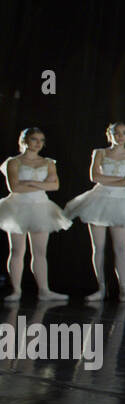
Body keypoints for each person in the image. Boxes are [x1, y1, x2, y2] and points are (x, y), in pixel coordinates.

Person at [63, 122, 125, 301]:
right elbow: (94, 177)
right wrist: (117, 180)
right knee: (98, 247)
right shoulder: (99, 152)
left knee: (121, 248)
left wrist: (108, 180)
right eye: (116, 133)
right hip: (98, 200)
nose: (120, 136)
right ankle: (101, 288)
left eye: (124, 133)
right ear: (110, 135)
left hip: (121, 202)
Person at [0, 128, 74, 301]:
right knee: (17, 250)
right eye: (34, 139)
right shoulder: (14, 162)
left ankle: (44, 290)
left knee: (40, 252)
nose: (39, 143)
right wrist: (41, 184)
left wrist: (30, 182)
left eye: (41, 140)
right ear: (25, 141)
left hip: (41, 207)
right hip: (17, 206)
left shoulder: (48, 162)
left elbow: (55, 186)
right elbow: (15, 187)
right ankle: (16, 291)